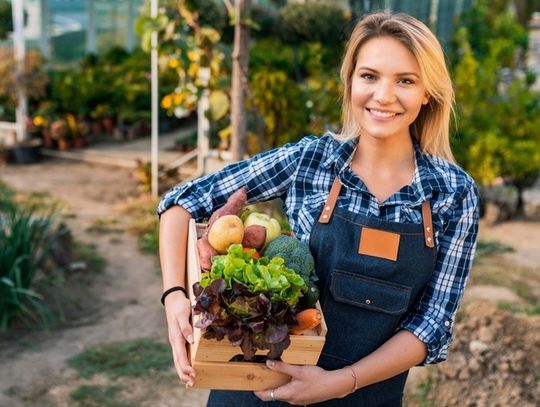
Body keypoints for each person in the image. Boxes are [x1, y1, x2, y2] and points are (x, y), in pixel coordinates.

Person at [157, 12, 479, 407]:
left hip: (366, 395)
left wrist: (342, 381)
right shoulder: (311, 160)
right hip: (260, 390)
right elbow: (180, 203)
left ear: (428, 92)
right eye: (369, 76)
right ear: (350, 82)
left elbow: (431, 324)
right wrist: (174, 297)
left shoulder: (452, 193)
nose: (384, 95)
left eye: (406, 81)